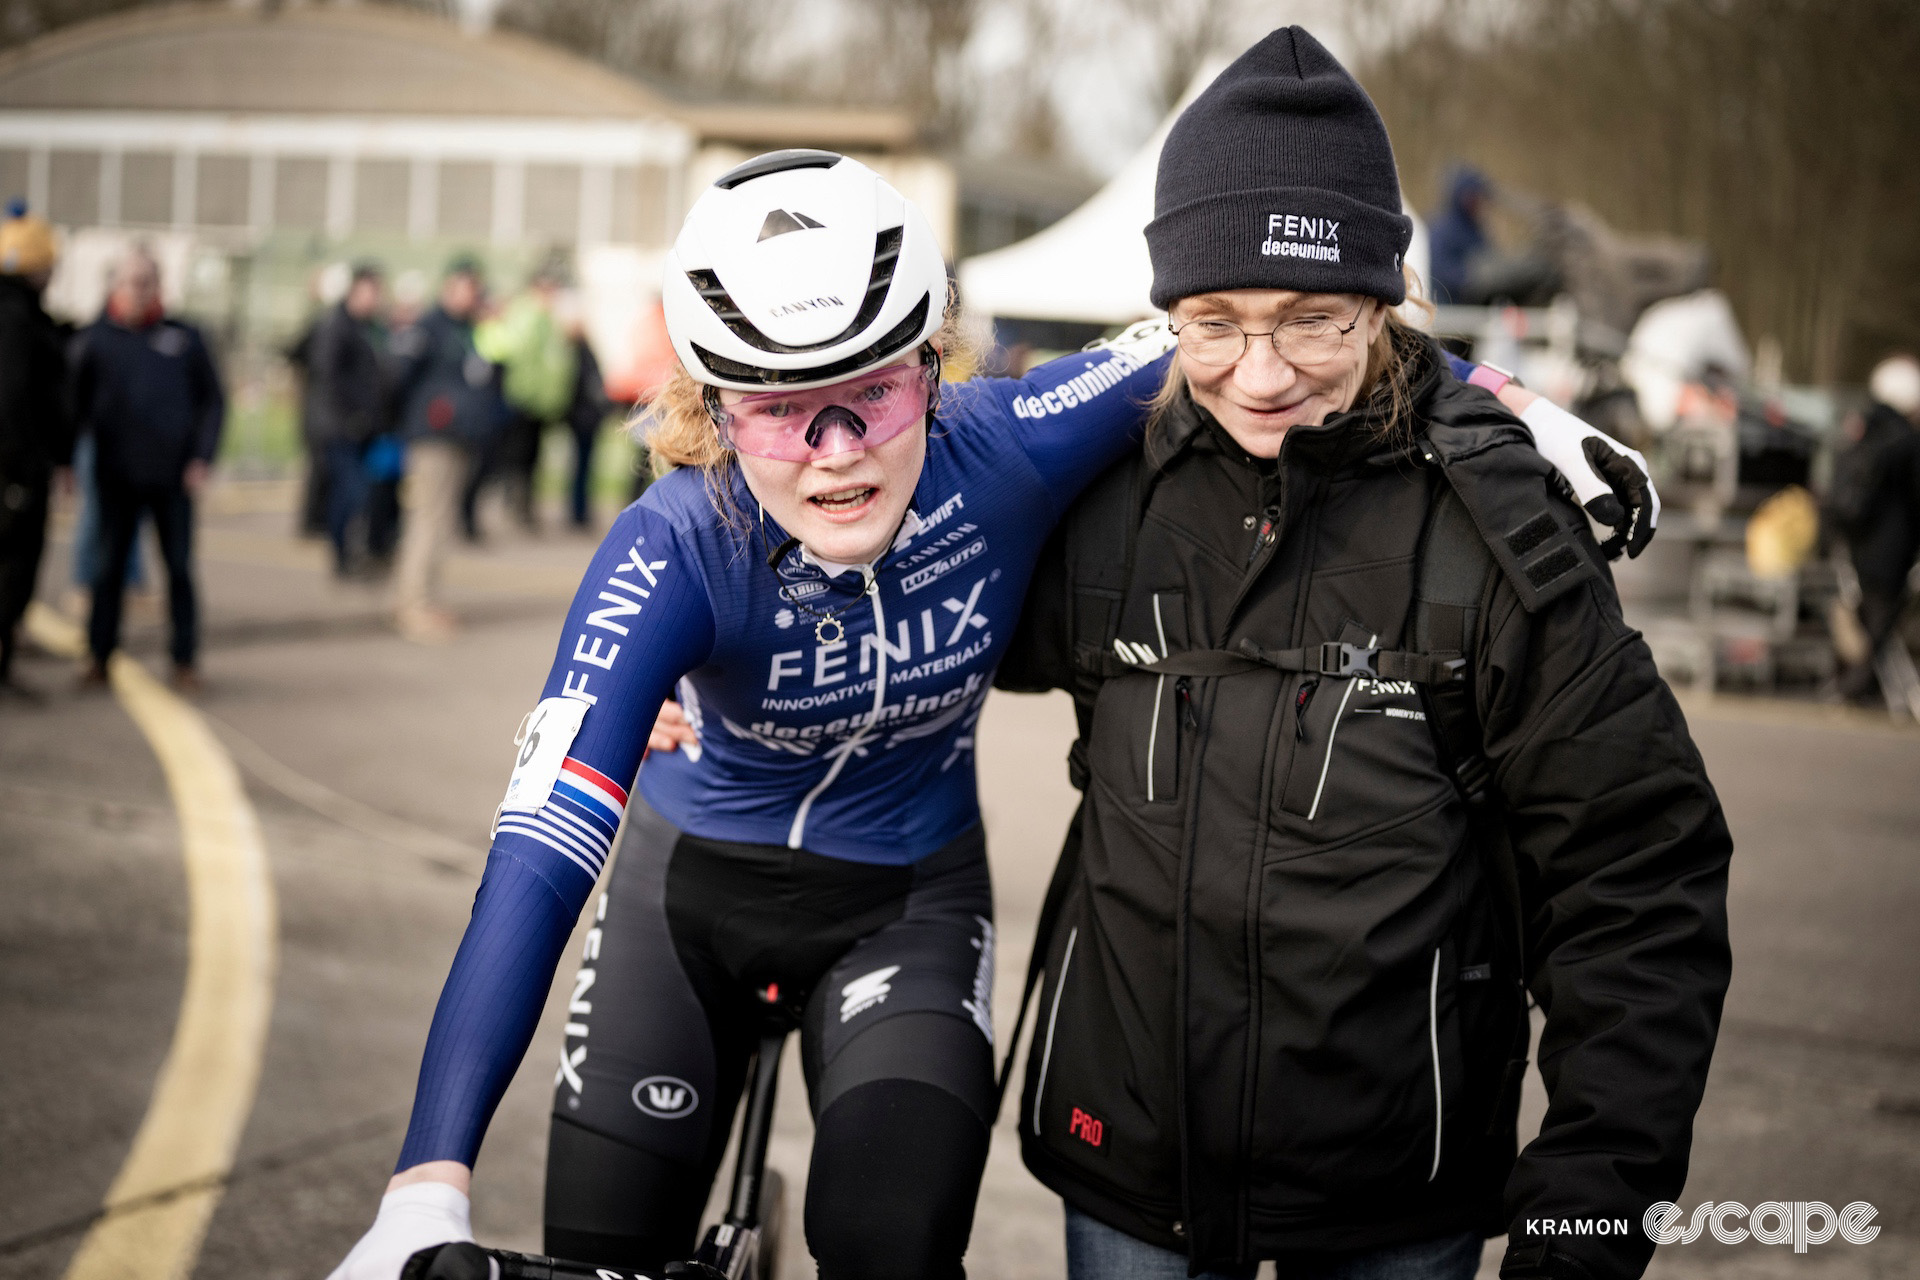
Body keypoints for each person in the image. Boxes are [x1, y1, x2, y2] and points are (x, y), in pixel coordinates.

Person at [325, 151, 1656, 1280]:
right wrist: (425, 1181)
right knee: (602, 1246)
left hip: (906, 904)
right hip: (688, 900)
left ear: (934, 366)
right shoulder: (673, 544)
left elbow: (1292, 322)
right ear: (710, 411)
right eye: (782, 412)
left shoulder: (1012, 437)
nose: (838, 449)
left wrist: (1527, 413)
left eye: (878, 392)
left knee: (889, 1242)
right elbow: (544, 844)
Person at [994, 30, 1729, 1280]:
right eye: (1214, 323)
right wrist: (721, 679)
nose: (1261, 374)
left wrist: (1585, 1222)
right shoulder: (1104, 498)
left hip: (1393, 1206)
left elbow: (1639, 881)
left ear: (1386, 305)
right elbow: (918, 634)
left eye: (1314, 322)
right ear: (1164, 307)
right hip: (1125, 1178)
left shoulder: (1499, 538)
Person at [73, 247, 224, 692]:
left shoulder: (185, 337)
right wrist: (66, 462)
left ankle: (184, 658)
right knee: (109, 568)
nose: (139, 291)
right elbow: (73, 405)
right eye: (130, 282)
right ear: (115, 286)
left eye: (147, 282)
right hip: (116, 474)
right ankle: (99, 656)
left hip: (172, 475)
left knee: (178, 568)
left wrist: (202, 457)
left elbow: (212, 401)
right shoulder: (96, 340)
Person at [387, 256, 502, 644]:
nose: (473, 295)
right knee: (427, 521)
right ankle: (412, 605)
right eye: (468, 286)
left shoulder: (468, 330)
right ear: (450, 286)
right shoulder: (428, 329)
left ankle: (428, 600)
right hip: (433, 440)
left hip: (460, 439)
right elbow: (398, 380)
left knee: (441, 523)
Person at [0, 203, 74, 693]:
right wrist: (24, 469)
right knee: (11, 562)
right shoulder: (17, 324)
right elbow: (17, 398)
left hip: (18, 465)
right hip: (13, 470)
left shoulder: (25, 319)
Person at [1827, 354, 1920, 704]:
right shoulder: (1906, 442)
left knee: (1858, 623)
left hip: (1852, 548)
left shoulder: (1858, 431)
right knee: (1877, 626)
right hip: (1890, 554)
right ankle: (1856, 689)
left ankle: (1848, 685)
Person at [470, 257, 575, 535]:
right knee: (514, 459)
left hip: (539, 403)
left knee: (531, 460)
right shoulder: (526, 315)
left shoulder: (545, 318)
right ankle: (511, 505)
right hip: (522, 401)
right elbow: (512, 351)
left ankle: (522, 506)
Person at [304, 262, 389, 577]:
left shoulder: (370, 327)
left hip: (364, 426)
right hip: (339, 427)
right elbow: (328, 376)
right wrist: (351, 414)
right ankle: (340, 555)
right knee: (349, 492)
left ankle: (352, 552)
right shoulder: (336, 326)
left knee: (364, 493)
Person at [1426, 164, 1490, 305]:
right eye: (1470, 196)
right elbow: (1439, 269)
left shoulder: (1477, 230)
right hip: (1446, 308)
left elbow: (1488, 257)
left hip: (1473, 306)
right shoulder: (1442, 229)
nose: (1474, 201)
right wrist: (1469, 278)